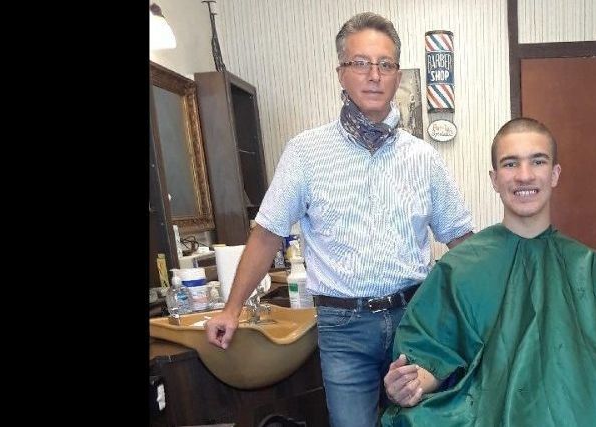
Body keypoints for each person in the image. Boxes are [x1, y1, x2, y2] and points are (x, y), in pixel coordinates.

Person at [203, 12, 475, 427]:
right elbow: (267, 234)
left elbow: (461, 240)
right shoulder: (306, 152)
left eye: (385, 64)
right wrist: (231, 309)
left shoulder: (423, 158)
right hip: (343, 329)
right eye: (360, 63)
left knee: (423, 422)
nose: (373, 75)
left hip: (414, 316)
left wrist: (496, 298)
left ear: (396, 75)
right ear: (341, 73)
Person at [379, 118, 596, 426]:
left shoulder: (588, 267)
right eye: (511, 164)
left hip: (576, 411)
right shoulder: (459, 268)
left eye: (537, 161)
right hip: (487, 411)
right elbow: (432, 353)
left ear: (554, 174)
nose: (524, 176)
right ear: (494, 178)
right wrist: (410, 382)